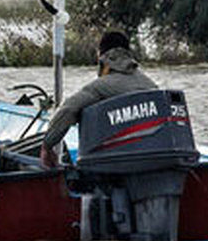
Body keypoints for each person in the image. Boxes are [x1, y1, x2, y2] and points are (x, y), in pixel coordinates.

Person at [39, 31, 158, 169]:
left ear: (103, 57)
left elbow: (68, 109)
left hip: (120, 165)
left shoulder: (101, 87)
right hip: (156, 157)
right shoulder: (151, 85)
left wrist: (47, 146)